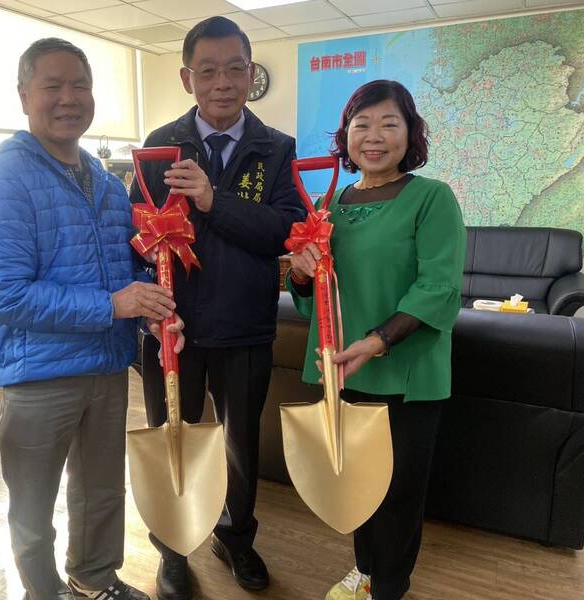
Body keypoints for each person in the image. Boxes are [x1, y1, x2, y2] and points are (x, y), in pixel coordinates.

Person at [0, 38, 181, 600]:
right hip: (40, 376)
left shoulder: (106, 185)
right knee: (33, 504)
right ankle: (44, 592)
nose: (69, 98)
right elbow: (6, 295)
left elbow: (124, 274)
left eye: (80, 85)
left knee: (102, 491)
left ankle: (94, 578)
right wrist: (114, 306)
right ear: (24, 96)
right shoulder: (5, 182)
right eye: (52, 86)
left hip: (106, 367)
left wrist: (150, 313)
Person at [130, 16, 306, 600]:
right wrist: (150, 305)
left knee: (240, 444)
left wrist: (211, 199)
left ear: (251, 74)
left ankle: (235, 537)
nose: (222, 83)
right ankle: (173, 548)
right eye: (208, 71)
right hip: (172, 331)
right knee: (171, 438)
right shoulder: (159, 147)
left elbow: (284, 231)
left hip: (244, 327)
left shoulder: (276, 149)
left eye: (235, 69)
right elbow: (134, 236)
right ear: (188, 78)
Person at [287, 80, 466, 600]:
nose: (374, 136)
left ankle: (388, 587)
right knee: (358, 485)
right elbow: (317, 300)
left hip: (406, 371)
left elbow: (439, 287)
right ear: (346, 136)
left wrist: (377, 342)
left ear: (410, 134)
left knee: (399, 493)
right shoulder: (333, 206)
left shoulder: (431, 197)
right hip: (344, 370)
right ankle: (364, 571)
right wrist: (300, 274)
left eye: (389, 124)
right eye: (361, 125)